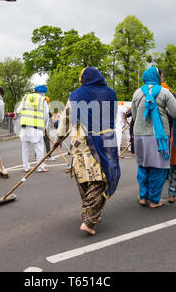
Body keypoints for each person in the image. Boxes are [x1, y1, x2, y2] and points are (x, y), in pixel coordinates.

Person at [54, 67, 120, 235]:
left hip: (80, 139)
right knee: (100, 178)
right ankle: (89, 219)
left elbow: (66, 118)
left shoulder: (76, 94)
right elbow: (113, 117)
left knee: (84, 176)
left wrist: (59, 139)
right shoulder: (111, 94)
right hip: (105, 139)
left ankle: (92, 213)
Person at [131, 67, 176, 208]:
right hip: (158, 135)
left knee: (143, 165)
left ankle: (143, 197)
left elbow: (135, 116)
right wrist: (165, 111)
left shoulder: (137, 92)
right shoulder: (164, 92)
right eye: (161, 75)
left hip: (140, 134)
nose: (162, 77)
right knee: (158, 167)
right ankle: (154, 200)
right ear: (157, 76)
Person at [16, 85, 50, 173]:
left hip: (25, 127)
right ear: (43, 93)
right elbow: (46, 115)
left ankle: (26, 167)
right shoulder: (42, 100)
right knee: (39, 147)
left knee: (25, 147)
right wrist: (45, 127)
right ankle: (40, 167)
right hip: (36, 127)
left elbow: (18, 111)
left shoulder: (25, 97)